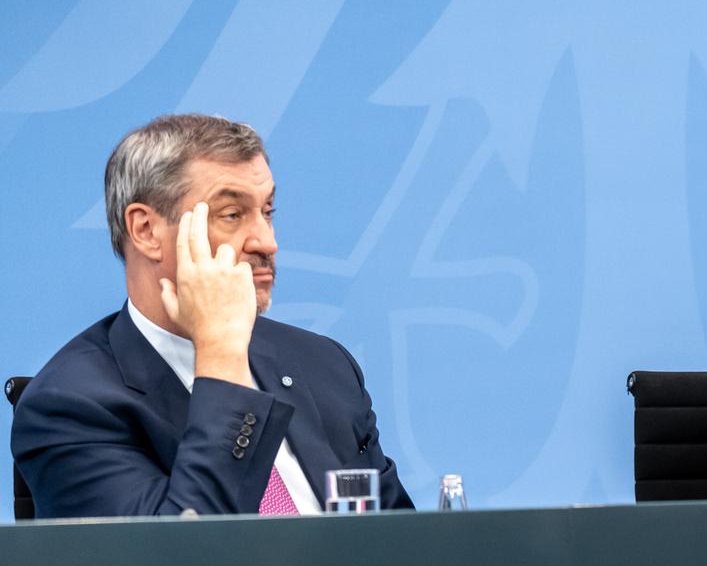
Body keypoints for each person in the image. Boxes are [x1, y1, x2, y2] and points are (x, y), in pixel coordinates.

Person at [11, 114, 411, 517]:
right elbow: (184, 551)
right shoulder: (70, 407)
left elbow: (403, 542)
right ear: (146, 230)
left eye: (267, 211)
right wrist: (221, 356)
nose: (266, 242)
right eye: (232, 214)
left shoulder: (323, 364)